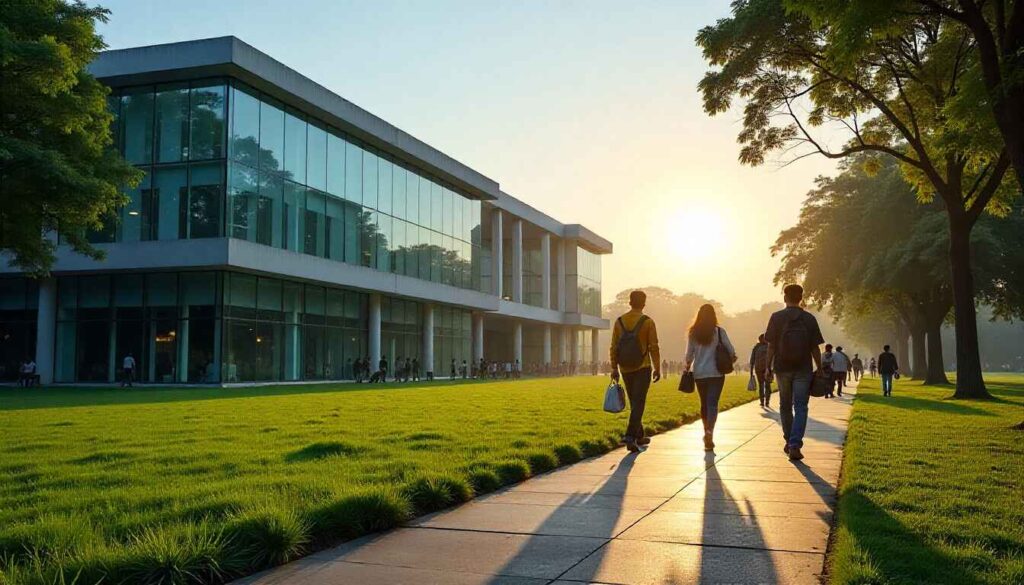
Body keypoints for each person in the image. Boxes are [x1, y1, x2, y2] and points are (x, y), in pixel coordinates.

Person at [765, 284, 824, 461]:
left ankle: (788, 439)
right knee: (800, 406)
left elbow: (771, 345)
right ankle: (794, 443)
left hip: (782, 367)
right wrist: (819, 367)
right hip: (803, 368)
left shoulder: (776, 318)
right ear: (801, 298)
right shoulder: (809, 319)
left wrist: (768, 366)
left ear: (785, 298)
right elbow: (815, 347)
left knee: (785, 405)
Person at [609, 290, 661, 453]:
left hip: (625, 367)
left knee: (634, 401)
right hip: (642, 367)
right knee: (639, 402)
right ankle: (630, 436)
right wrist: (658, 367)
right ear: (644, 303)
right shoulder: (647, 322)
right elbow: (654, 347)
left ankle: (640, 435)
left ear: (630, 302)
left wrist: (614, 367)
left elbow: (614, 347)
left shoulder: (619, 322)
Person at [684, 304, 737, 451]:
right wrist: (730, 359)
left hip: (700, 373)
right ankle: (709, 432)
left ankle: (705, 429)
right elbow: (731, 351)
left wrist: (687, 368)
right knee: (712, 403)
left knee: (704, 404)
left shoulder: (693, 332)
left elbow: (689, 355)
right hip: (716, 372)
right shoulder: (719, 332)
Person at [749, 334, 771, 407]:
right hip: (768, 369)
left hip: (758, 369)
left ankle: (762, 401)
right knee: (767, 386)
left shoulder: (756, 347)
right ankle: (767, 401)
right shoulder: (769, 346)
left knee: (761, 385)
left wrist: (751, 371)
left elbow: (752, 360)